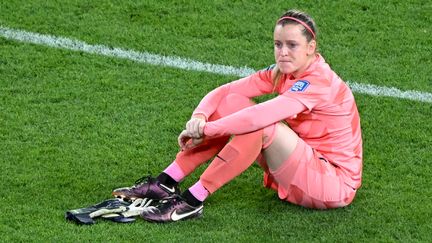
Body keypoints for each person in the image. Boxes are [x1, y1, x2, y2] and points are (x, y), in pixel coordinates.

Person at [113, 9, 363, 223]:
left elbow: (258, 117)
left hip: (333, 184)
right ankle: (166, 181)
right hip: (305, 164)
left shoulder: (319, 81)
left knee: (261, 126)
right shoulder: (284, 71)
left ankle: (192, 200)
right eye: (278, 44)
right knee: (233, 103)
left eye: (292, 45)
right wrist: (199, 117)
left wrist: (207, 131)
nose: (283, 52)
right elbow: (226, 92)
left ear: (311, 48)